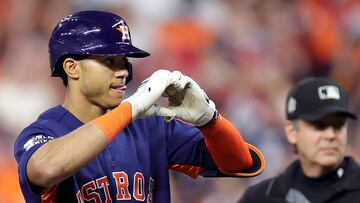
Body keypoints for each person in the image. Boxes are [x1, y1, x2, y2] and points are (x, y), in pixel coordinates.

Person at [14, 10, 265, 202]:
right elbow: (47, 169)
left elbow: (240, 163)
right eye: (109, 61)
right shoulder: (44, 132)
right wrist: (128, 110)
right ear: (72, 68)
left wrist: (210, 121)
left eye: (124, 62)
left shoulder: (151, 126)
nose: (122, 71)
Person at [238, 77, 360, 203]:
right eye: (319, 125)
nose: (331, 135)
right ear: (292, 131)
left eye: (338, 125)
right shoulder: (261, 197)